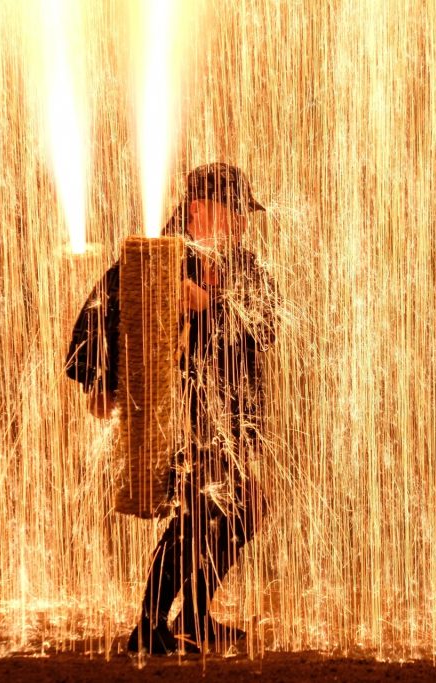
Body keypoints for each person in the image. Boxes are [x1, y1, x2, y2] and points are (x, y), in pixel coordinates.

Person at [65, 163, 278, 655]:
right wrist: (105, 382)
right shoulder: (156, 261)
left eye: (243, 214)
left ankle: (194, 617)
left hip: (226, 419)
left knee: (247, 508)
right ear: (198, 209)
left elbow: (267, 324)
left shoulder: (241, 266)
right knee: (204, 506)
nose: (241, 223)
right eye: (233, 212)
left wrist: (211, 303)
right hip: (176, 418)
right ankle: (148, 626)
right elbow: (96, 319)